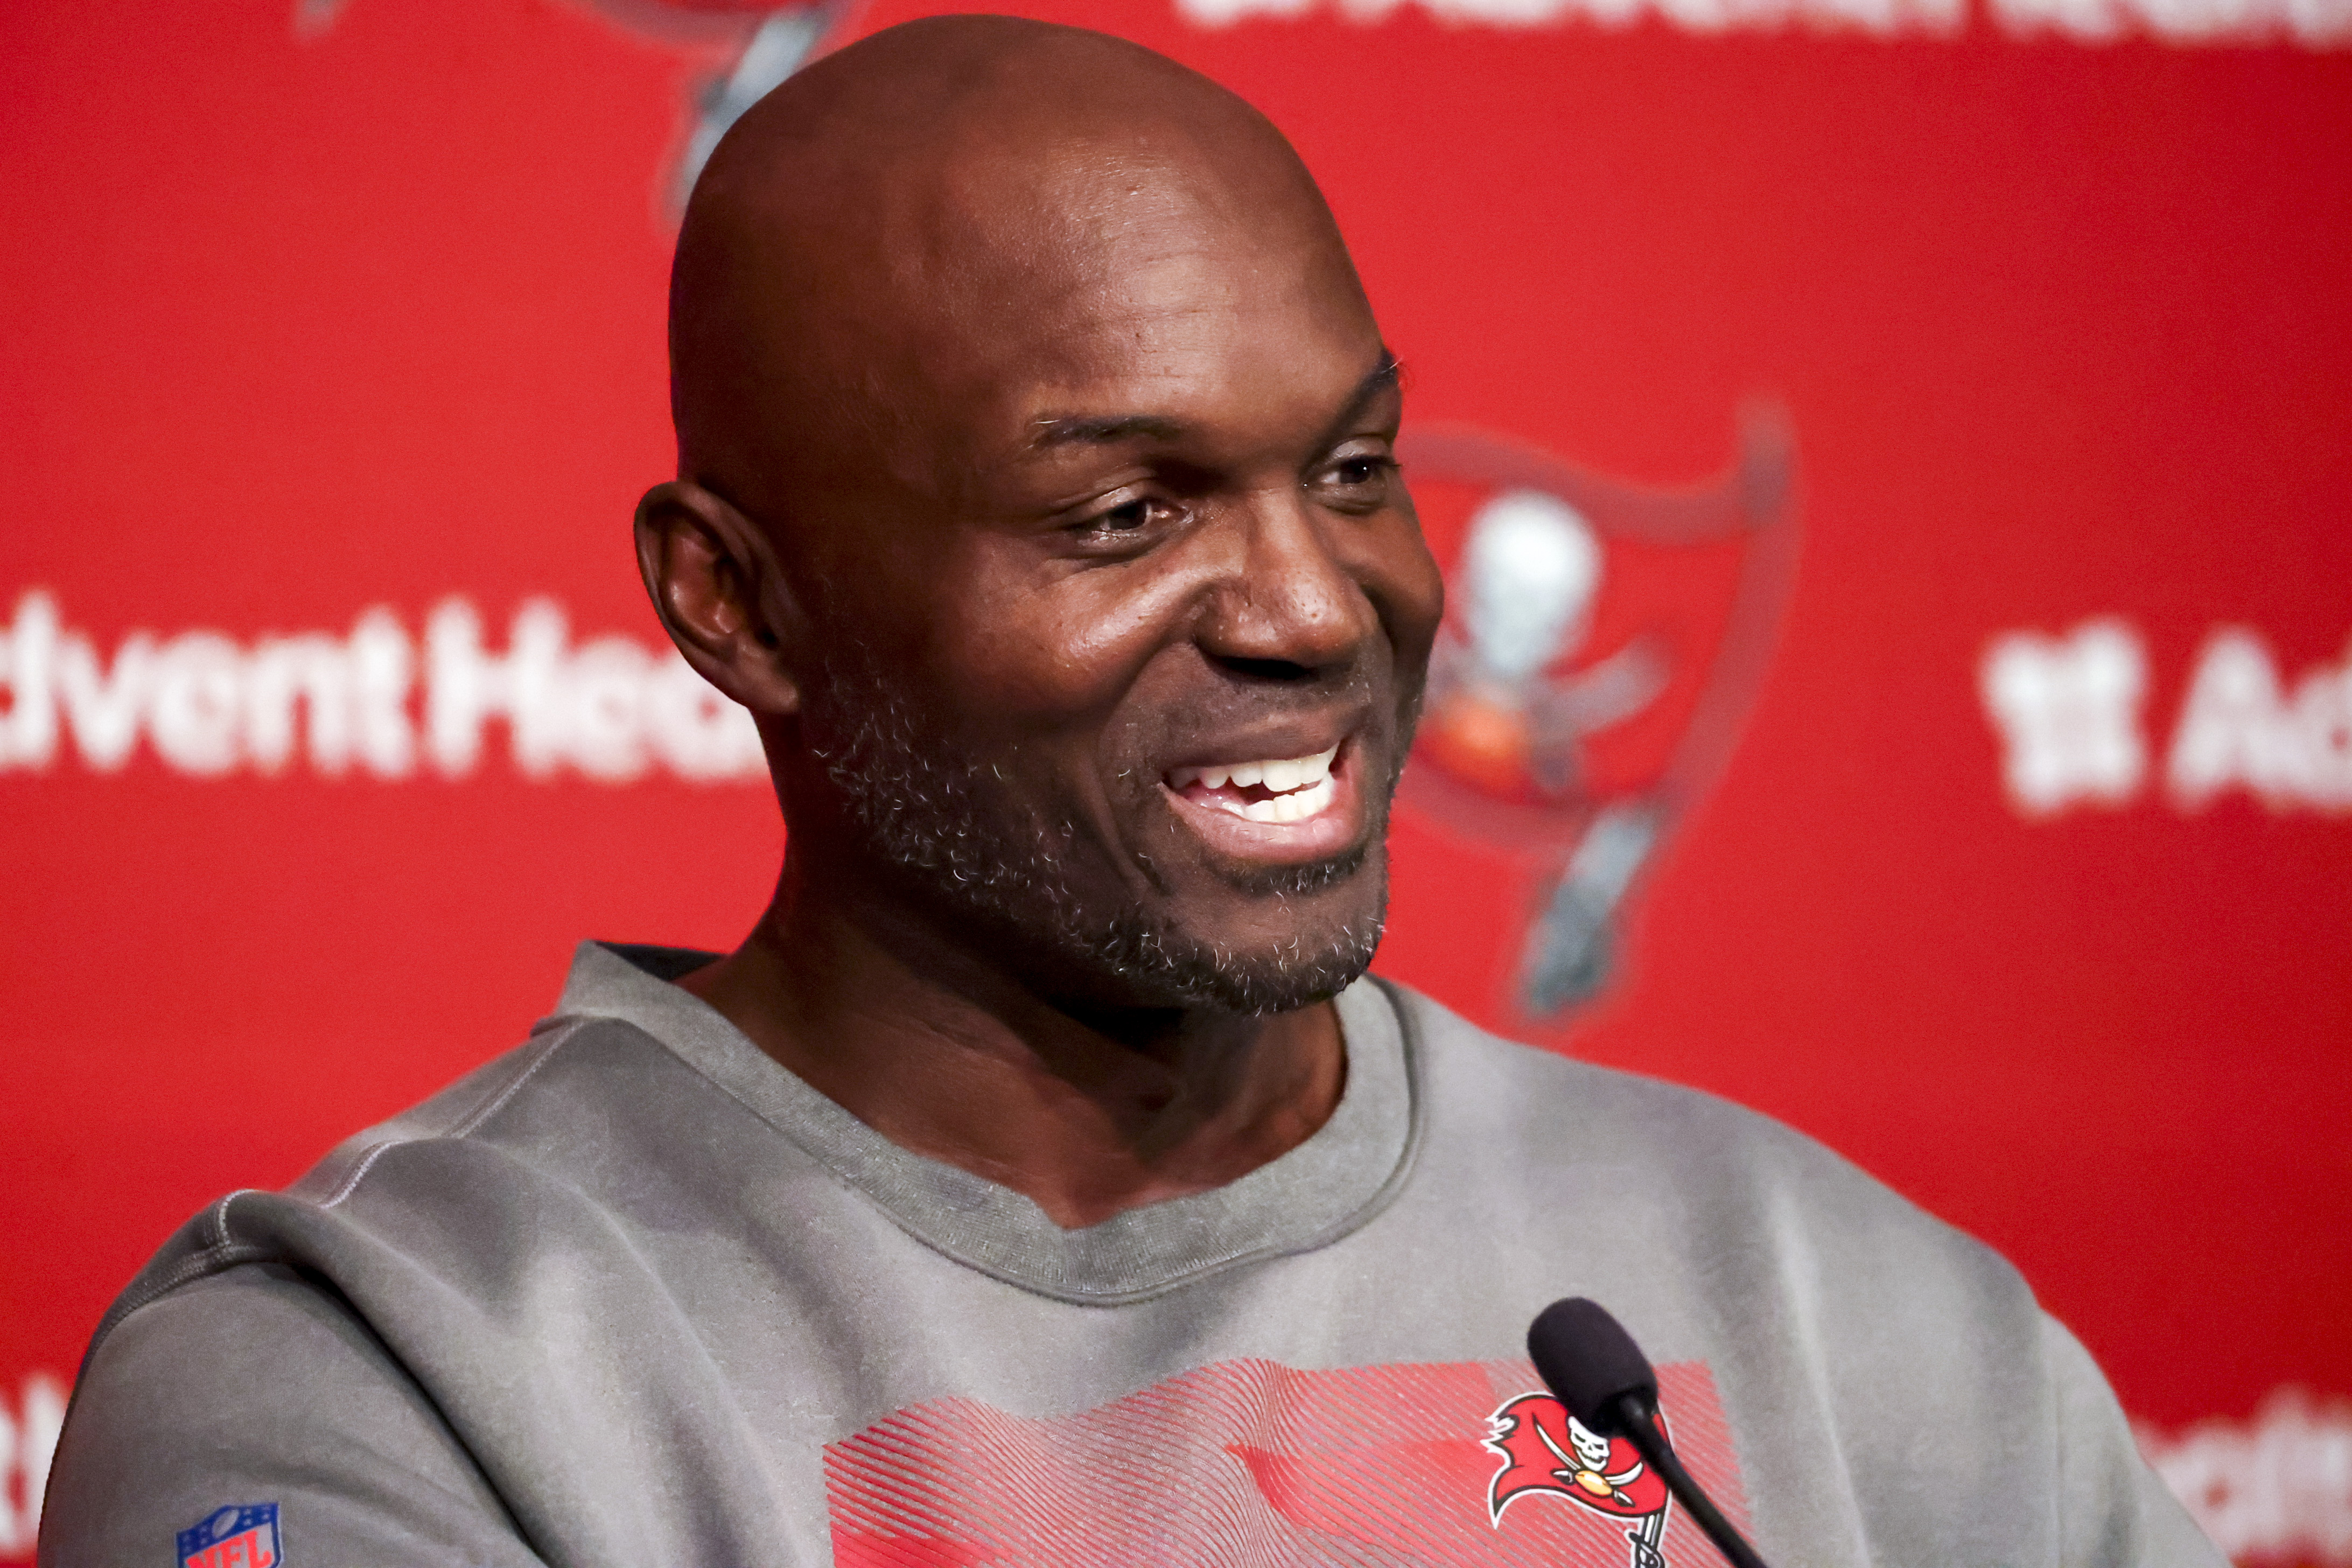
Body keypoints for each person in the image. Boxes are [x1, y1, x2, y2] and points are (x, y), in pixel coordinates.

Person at [40, 16, 2218, 1568]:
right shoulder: (397, 1371)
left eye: (1352, 468)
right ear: (740, 602)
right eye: (1127, 515)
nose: (1317, 603)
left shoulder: (1842, 1317)